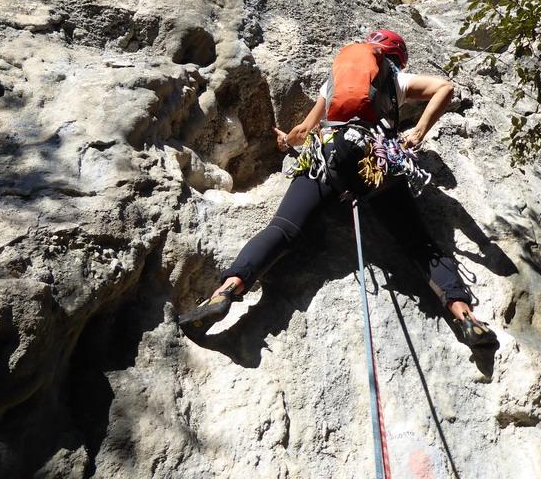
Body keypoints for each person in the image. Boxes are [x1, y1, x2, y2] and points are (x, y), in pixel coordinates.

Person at [179, 30, 497, 347]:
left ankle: (225, 292)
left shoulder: (334, 82)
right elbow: (445, 87)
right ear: (395, 57)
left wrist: (286, 140)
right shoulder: (394, 77)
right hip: (375, 162)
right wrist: (416, 134)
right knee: (419, 244)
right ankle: (465, 316)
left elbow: (304, 131)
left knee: (283, 228)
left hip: (328, 159)